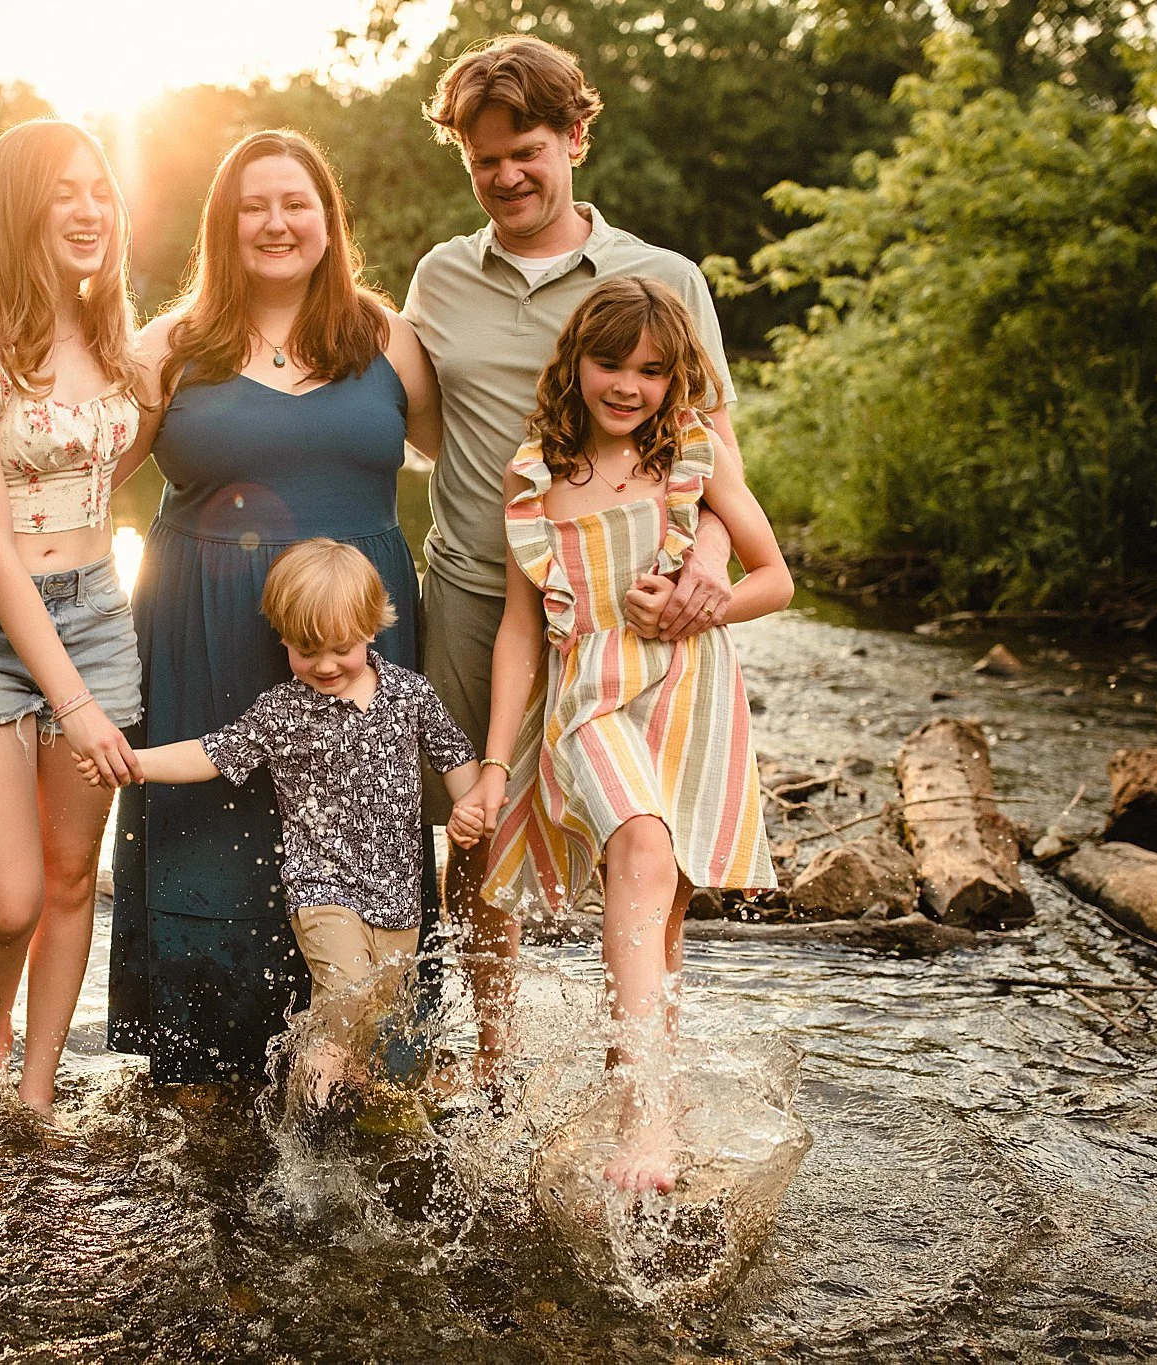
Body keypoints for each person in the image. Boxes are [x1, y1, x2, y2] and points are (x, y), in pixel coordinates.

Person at [0, 129, 444, 1087]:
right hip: (203, 633)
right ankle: (206, 1068)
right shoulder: (167, 345)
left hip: (358, 635)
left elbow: (475, 463)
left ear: (330, 220)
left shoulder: (386, 338)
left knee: (362, 838)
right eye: (253, 205)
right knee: (215, 841)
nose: (276, 222)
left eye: (296, 203)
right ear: (221, 225)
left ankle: (367, 1064)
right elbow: (81, 470)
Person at [405, 34, 746, 1089]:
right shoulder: (439, 278)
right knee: (476, 825)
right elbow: (407, 421)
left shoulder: (661, 280)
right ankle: (496, 1052)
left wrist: (708, 571)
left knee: (645, 837)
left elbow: (718, 450)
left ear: (573, 140)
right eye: (483, 159)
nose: (506, 176)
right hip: (477, 593)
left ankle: (633, 1064)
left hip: (632, 613)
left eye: (527, 151)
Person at [451, 276, 791, 1192]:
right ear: (576, 364)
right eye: (610, 363)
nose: (629, 385)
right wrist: (493, 761)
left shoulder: (692, 454)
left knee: (662, 913)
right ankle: (648, 1119)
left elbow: (776, 580)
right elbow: (523, 628)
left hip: (688, 694)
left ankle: (639, 1101)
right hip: (589, 698)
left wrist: (701, 602)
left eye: (651, 369)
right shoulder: (539, 476)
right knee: (636, 846)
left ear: (676, 376)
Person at [0, 119, 144, 1118]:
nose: (88, 209)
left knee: (67, 876)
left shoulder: (117, 337)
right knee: (4, 900)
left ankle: (35, 1093)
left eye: (99, 189)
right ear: (17, 208)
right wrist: (76, 702)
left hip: (94, 610)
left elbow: (101, 460)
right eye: (62, 191)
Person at [78, 539, 483, 1108]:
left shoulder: (410, 696)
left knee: (381, 1026)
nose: (323, 665)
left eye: (340, 648)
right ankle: (307, 1130)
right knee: (341, 1005)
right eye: (305, 649)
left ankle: (362, 1134)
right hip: (323, 892)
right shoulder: (283, 711)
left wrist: (471, 807)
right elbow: (214, 753)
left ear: (372, 628)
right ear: (284, 640)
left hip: (398, 897)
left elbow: (454, 755)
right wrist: (136, 763)